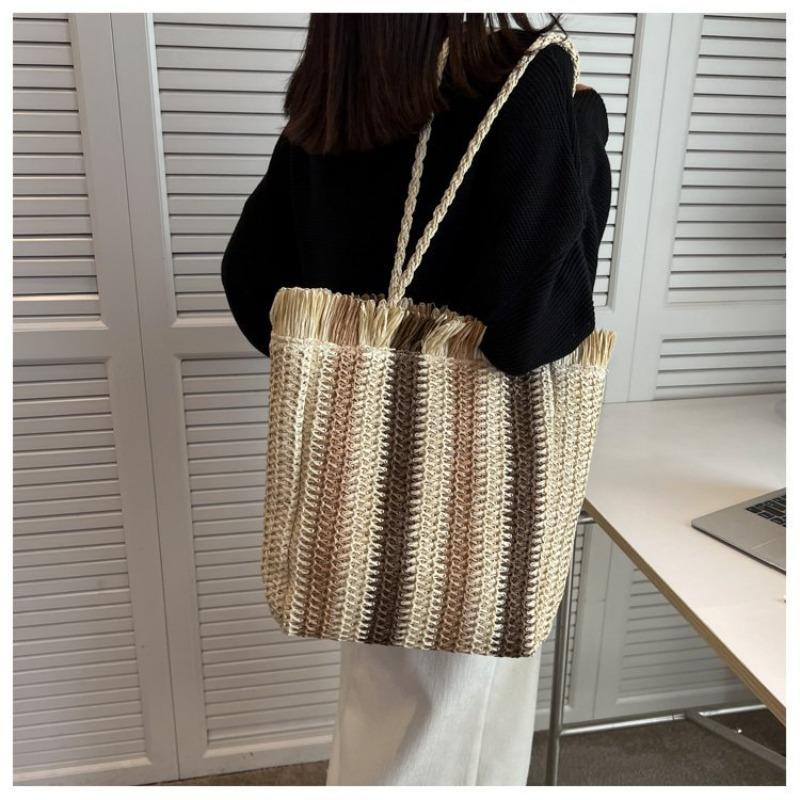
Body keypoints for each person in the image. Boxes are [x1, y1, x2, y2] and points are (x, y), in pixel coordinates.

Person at [221, 12, 610, 786]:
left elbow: (250, 280)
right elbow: (530, 332)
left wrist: (364, 369)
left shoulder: (335, 99)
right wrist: (583, 133)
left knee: (382, 719)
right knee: (449, 741)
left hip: (351, 494)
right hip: (479, 498)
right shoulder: (523, 80)